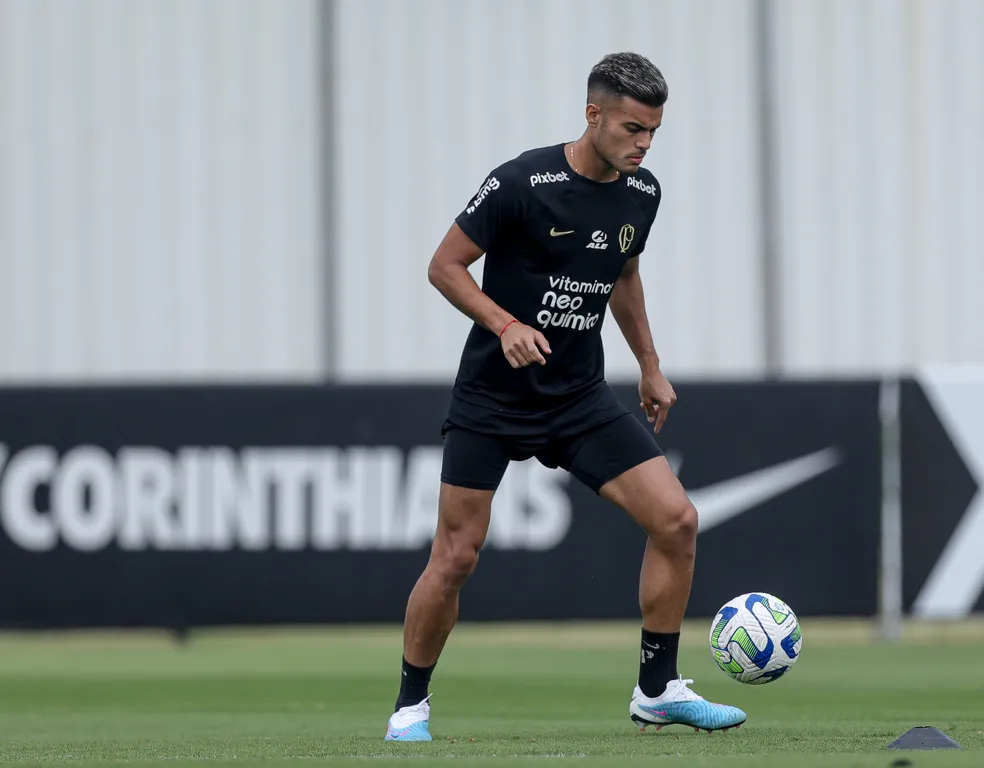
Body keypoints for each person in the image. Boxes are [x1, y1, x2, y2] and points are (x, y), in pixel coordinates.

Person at [384, 51, 746, 742]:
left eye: (654, 133)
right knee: (457, 553)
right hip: (494, 397)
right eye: (634, 128)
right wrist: (505, 322)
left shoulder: (642, 193)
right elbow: (444, 266)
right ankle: (410, 707)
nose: (643, 144)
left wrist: (649, 364)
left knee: (677, 521)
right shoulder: (521, 182)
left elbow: (624, 275)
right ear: (594, 115)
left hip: (578, 397)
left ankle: (657, 689)